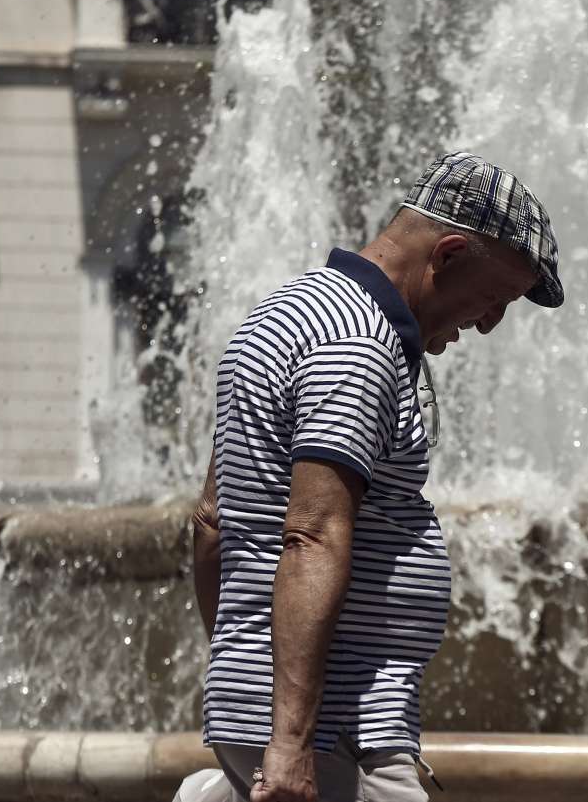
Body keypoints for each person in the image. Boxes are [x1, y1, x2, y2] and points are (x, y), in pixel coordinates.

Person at [185, 151, 564, 802]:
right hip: (338, 729)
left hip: (283, 715)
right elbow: (313, 535)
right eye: (495, 297)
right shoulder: (357, 346)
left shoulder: (285, 312)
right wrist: (290, 741)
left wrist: (243, 673)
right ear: (445, 255)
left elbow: (212, 523)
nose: (491, 321)